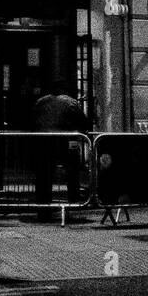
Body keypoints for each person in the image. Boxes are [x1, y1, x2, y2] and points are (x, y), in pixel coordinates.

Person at [32, 80, 87, 217]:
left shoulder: (41, 102)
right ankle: (74, 203)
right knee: (72, 172)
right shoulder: (71, 102)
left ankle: (43, 206)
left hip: (44, 141)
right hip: (66, 140)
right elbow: (83, 121)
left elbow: (32, 120)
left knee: (44, 174)